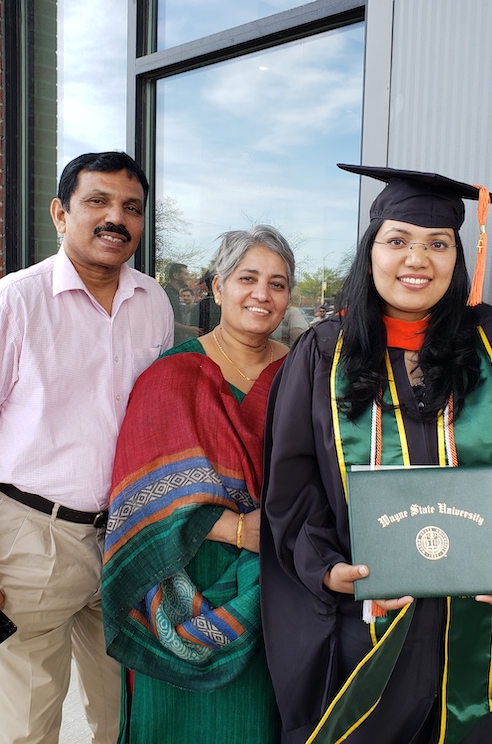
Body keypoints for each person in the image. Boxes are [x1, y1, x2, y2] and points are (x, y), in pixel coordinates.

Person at [260, 164, 492, 744]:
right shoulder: (323, 355)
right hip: (366, 636)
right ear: (371, 253)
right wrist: (329, 571)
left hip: (481, 635)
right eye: (398, 241)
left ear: (457, 258)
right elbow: (294, 491)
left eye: (437, 244)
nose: (417, 259)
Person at [0, 151, 173, 743]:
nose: (116, 217)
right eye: (98, 201)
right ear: (60, 214)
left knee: (125, 720)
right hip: (28, 542)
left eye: (131, 207)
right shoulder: (11, 302)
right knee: (24, 728)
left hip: (124, 540)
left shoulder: (156, 304)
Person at [101, 225, 295, 743]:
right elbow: (138, 499)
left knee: (260, 721)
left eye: (278, 283)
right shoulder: (171, 376)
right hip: (185, 570)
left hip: (280, 579)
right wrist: (237, 530)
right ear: (217, 287)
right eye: (247, 278)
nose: (262, 294)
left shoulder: (305, 373)